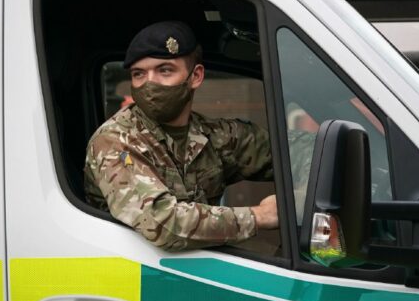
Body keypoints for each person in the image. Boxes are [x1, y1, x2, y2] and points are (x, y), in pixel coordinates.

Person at [84, 20, 278, 251]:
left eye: (164, 70)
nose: (150, 84)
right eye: (138, 74)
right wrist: (259, 216)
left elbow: (297, 154)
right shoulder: (116, 140)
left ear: (195, 76)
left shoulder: (214, 136)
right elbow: (163, 223)